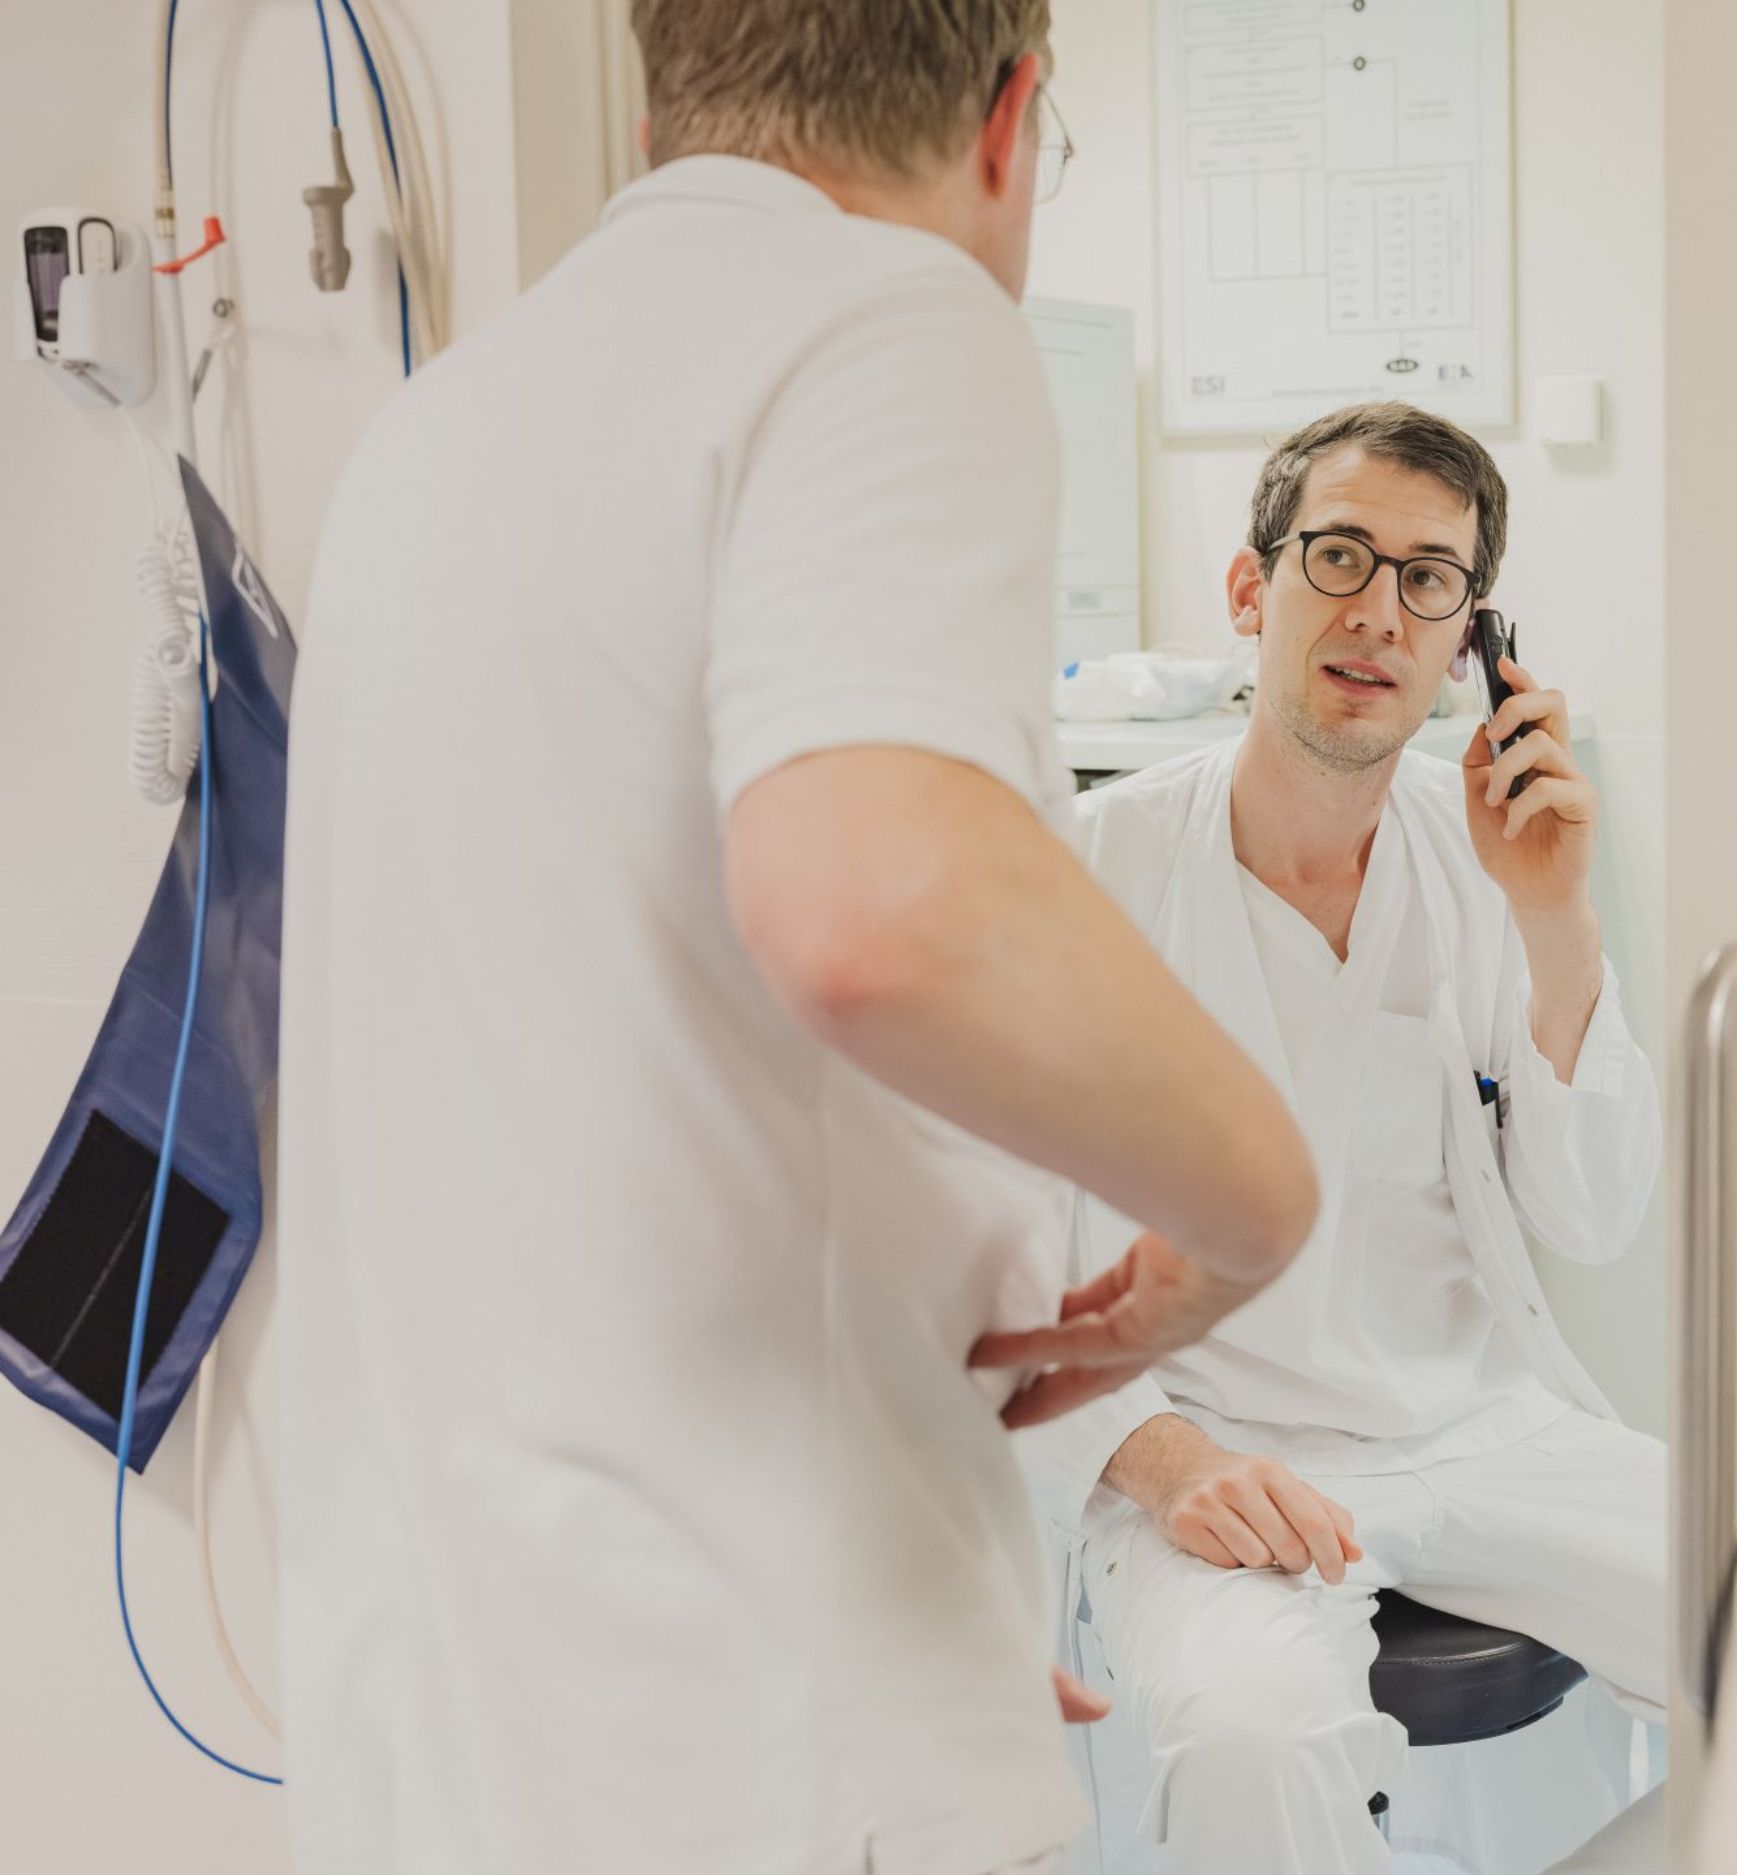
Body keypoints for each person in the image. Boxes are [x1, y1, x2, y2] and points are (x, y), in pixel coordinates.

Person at [274, 5, 1317, 1872]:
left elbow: (607, 1096)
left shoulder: (438, 431)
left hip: (451, 1720)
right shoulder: (889, 313)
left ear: (673, 89)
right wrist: (1256, 1208)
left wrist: (913, 1605)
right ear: (1009, 123)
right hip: (728, 1726)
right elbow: (875, 912)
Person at [981, 404, 1667, 1874]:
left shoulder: (1484, 858)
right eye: (1340, 556)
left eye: (1430, 578)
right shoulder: (1091, 872)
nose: (1378, 612)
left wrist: (1557, 923)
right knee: (1252, 1745)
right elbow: (989, 1245)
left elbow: (1597, 1213)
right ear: (1253, 590)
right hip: (1220, 1455)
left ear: (1472, 636)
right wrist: (1160, 1460)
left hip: (1481, 1426)